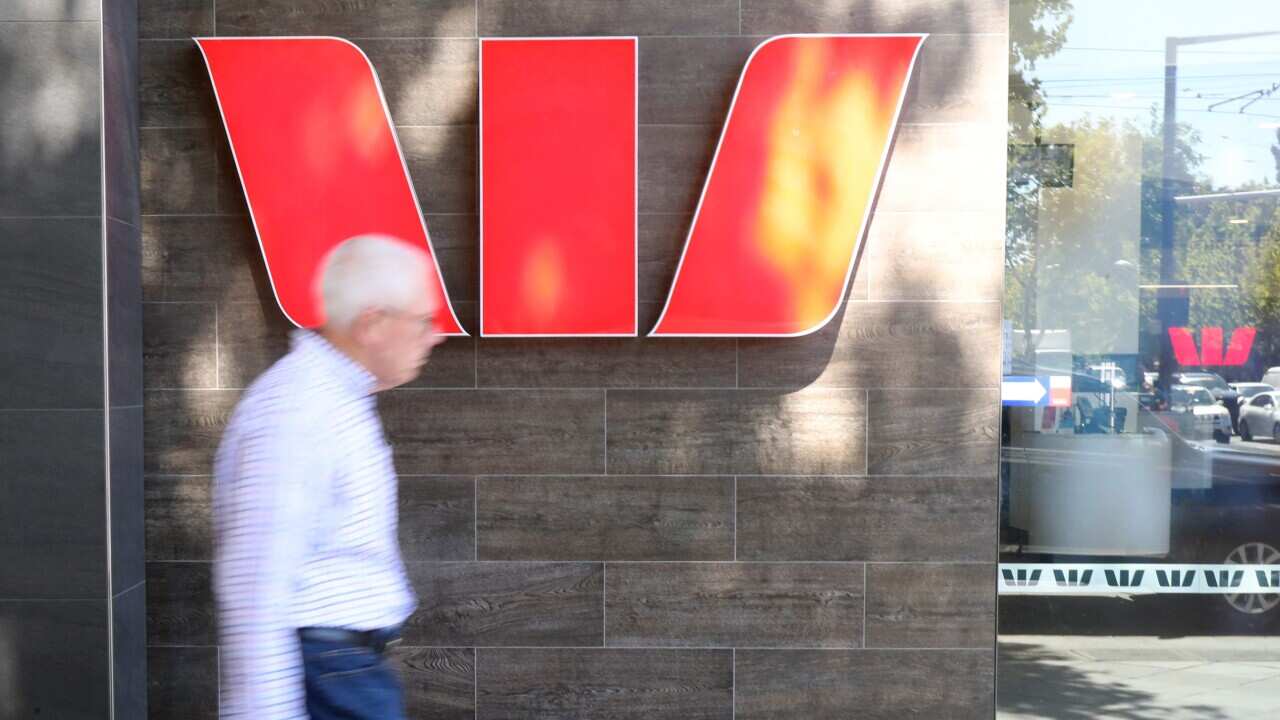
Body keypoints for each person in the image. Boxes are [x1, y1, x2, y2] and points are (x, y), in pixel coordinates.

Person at [212, 234, 446, 719]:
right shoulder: (298, 411)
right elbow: (255, 586)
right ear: (372, 323)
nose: (435, 335)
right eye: (422, 320)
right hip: (325, 677)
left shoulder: (335, 400)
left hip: (345, 671)